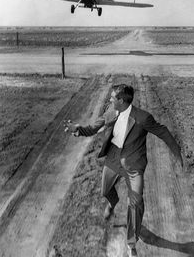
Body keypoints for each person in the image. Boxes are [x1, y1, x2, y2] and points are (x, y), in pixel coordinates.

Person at [64, 84, 183, 257]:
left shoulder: (143, 118)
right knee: (105, 191)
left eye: (112, 98)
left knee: (135, 203)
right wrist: (78, 129)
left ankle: (131, 244)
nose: (110, 100)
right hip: (113, 158)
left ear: (121, 100)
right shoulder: (110, 111)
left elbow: (163, 132)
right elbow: (93, 128)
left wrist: (178, 155)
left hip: (134, 165)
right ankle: (112, 203)